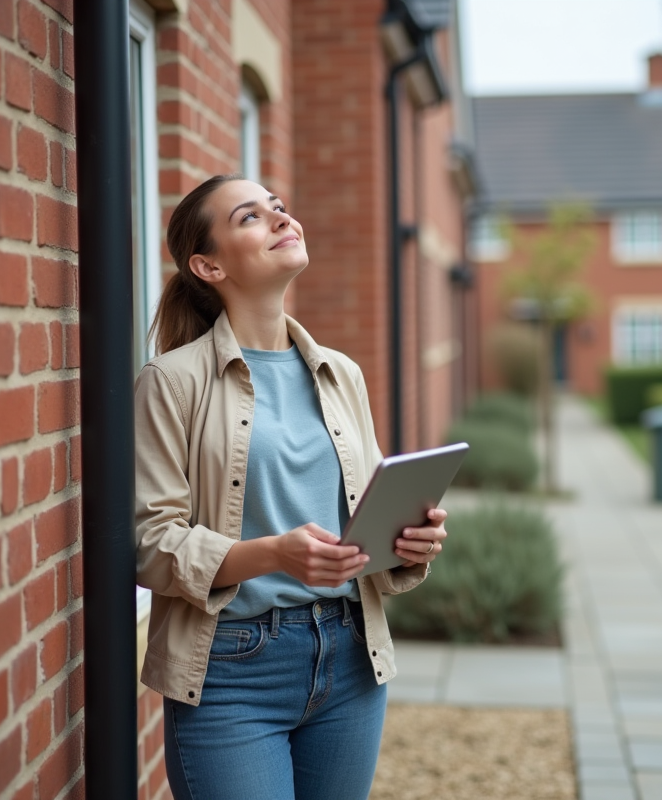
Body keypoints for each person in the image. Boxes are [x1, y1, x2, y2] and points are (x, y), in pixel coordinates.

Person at [133, 173, 447, 800]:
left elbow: (366, 507)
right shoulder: (171, 383)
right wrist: (275, 554)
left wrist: (409, 540)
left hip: (352, 655)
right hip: (230, 670)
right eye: (250, 217)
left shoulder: (341, 374)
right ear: (208, 265)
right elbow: (150, 542)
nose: (282, 218)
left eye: (279, 207)